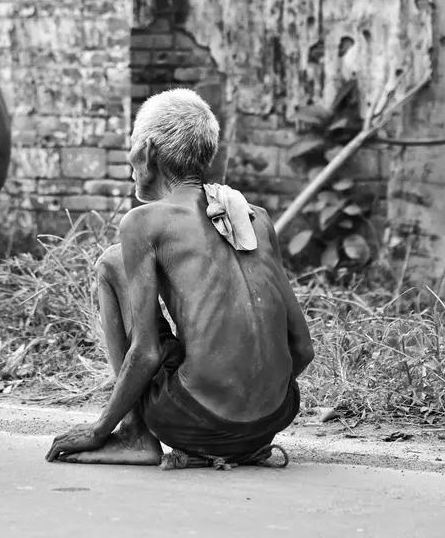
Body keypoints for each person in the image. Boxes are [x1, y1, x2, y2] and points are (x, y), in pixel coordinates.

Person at [46, 88, 314, 468]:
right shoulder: (255, 216)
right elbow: (302, 348)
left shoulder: (143, 221)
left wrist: (98, 430)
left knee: (112, 263)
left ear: (145, 154)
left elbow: (147, 351)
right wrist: (251, 396)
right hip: (275, 416)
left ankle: (135, 434)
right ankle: (239, 441)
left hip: (194, 420)